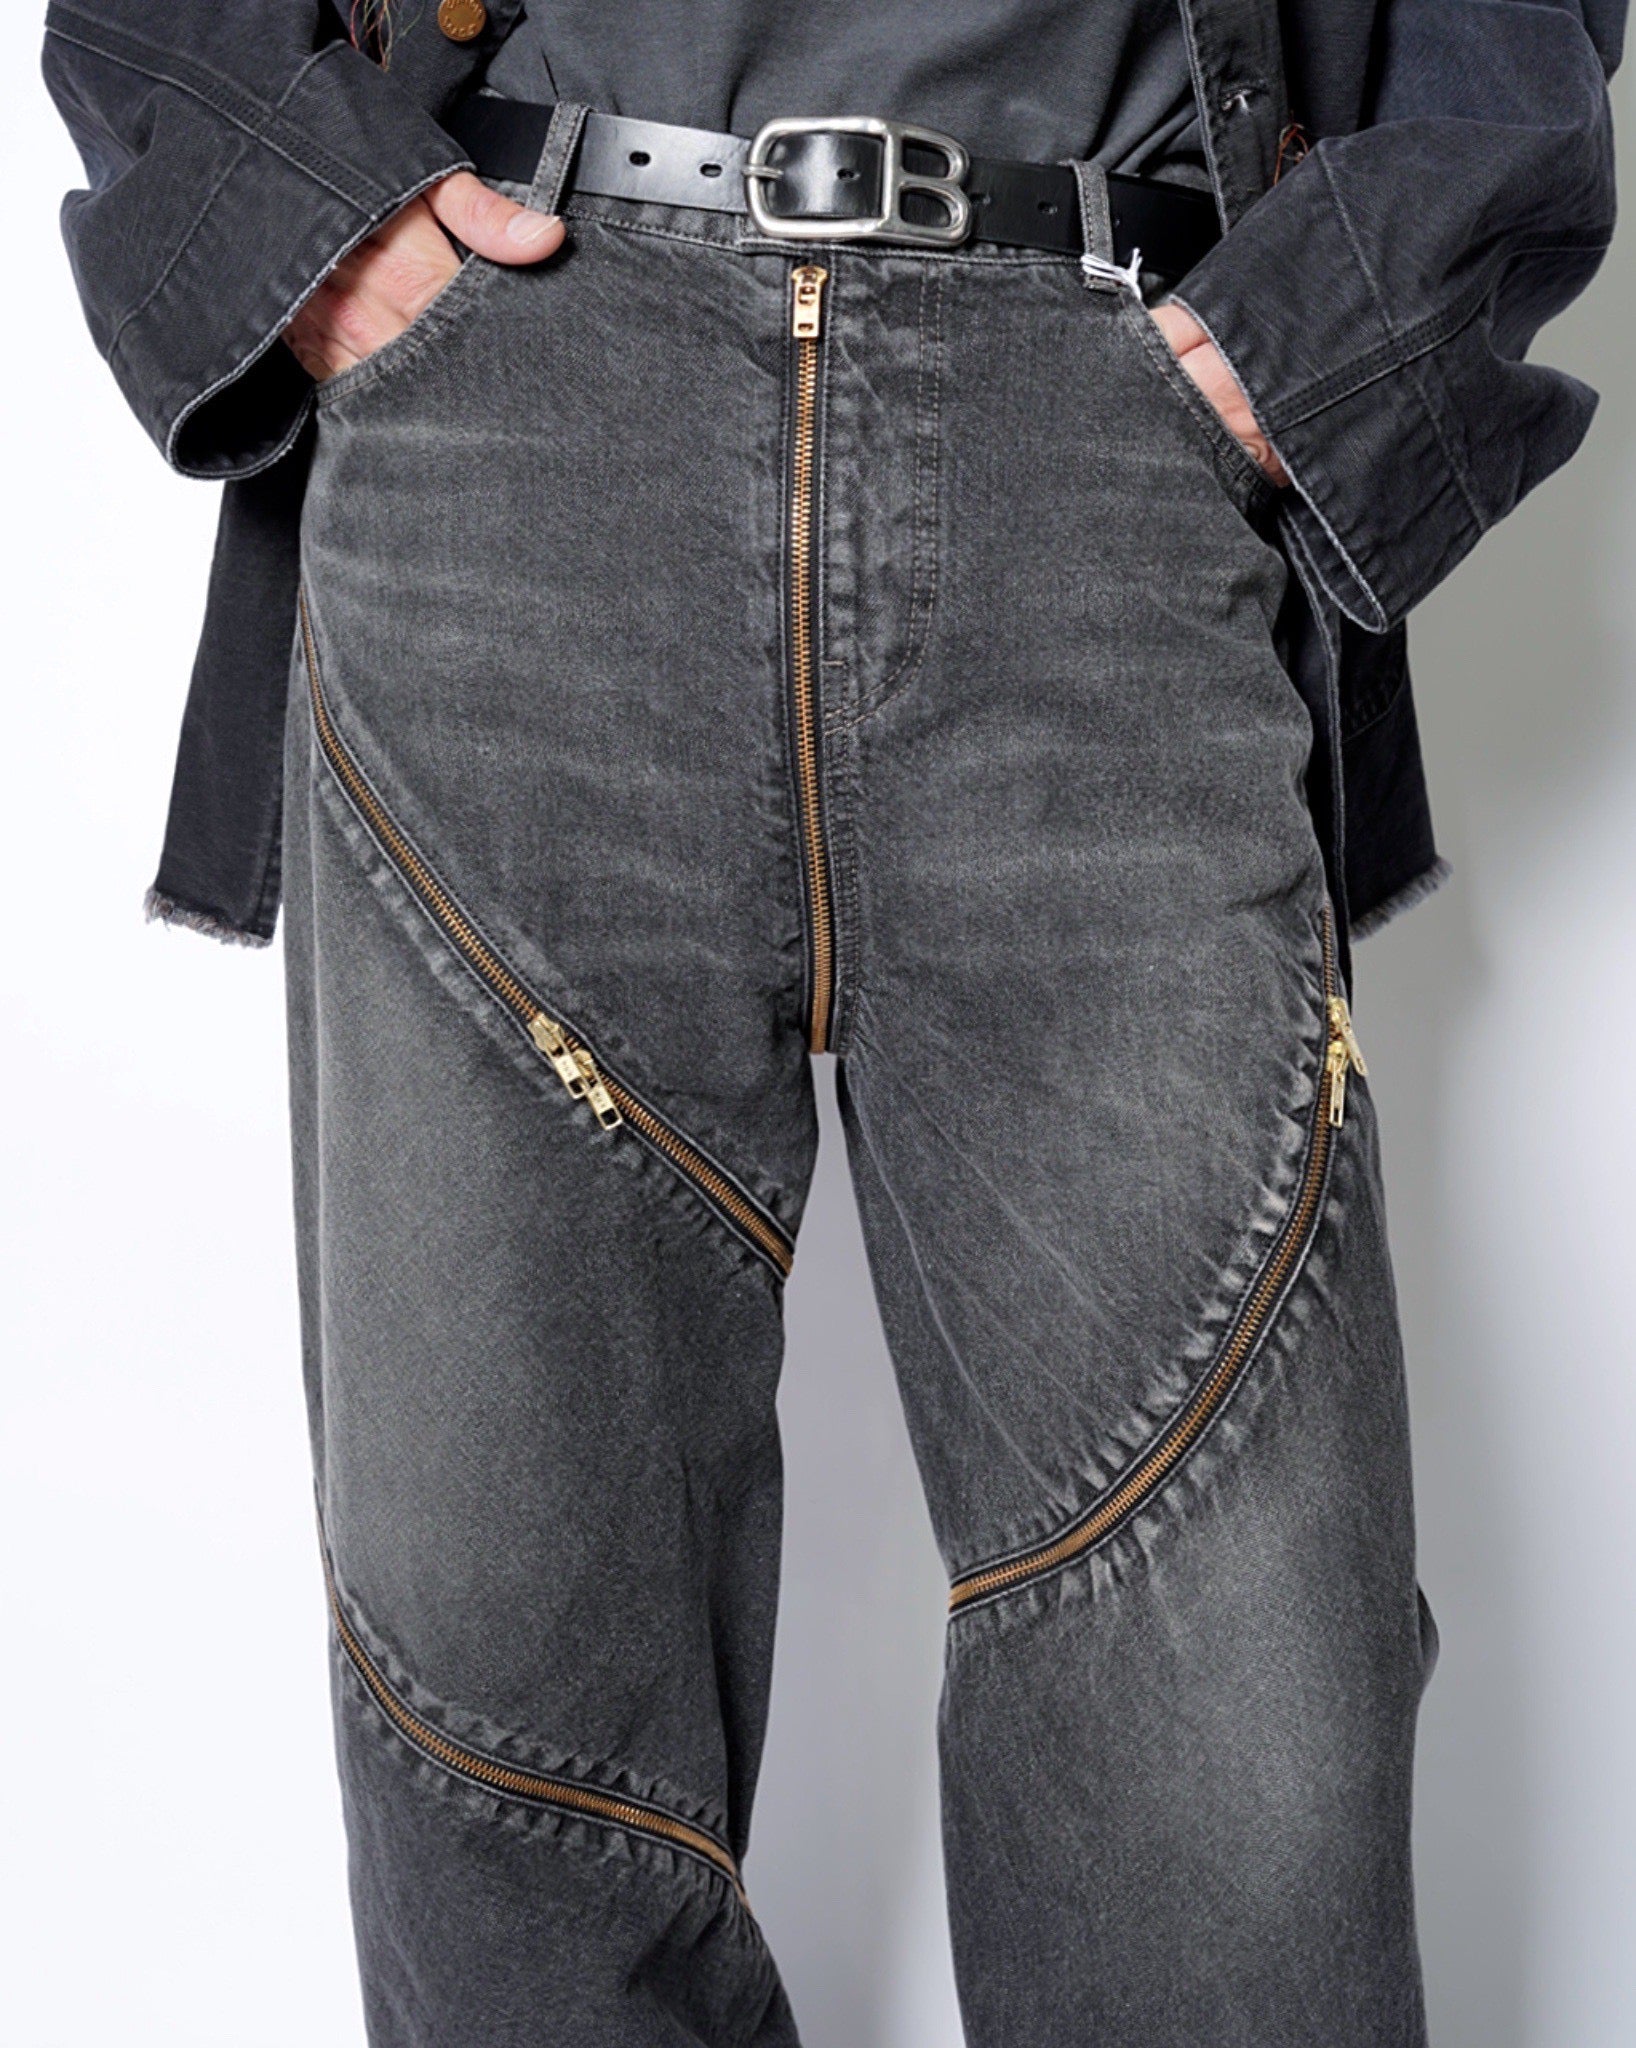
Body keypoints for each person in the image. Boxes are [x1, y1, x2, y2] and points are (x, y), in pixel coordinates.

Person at [42, 4, 1621, 2043]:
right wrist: (300, 211)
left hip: (1100, 423)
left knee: (1242, 1729)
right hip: (518, 410)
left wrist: (1340, 326)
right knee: (508, 1723)